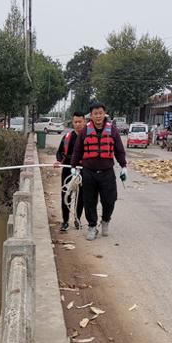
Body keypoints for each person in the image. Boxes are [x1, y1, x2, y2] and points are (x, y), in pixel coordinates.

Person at [70, 101, 128, 241]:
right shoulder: (85, 131)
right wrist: (74, 167)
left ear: (104, 113)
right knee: (89, 201)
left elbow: (119, 150)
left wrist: (123, 166)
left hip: (107, 172)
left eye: (100, 113)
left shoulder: (112, 130)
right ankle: (92, 226)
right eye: (95, 114)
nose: (98, 116)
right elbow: (78, 151)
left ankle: (106, 220)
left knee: (110, 200)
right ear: (91, 115)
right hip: (88, 172)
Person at [55, 112, 86, 231]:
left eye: (80, 122)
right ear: (72, 123)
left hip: (83, 170)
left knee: (81, 197)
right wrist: (58, 161)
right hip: (68, 169)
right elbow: (60, 152)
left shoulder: (89, 137)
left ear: (84, 122)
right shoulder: (67, 137)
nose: (78, 124)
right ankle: (65, 221)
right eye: (75, 122)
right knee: (66, 195)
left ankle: (77, 219)